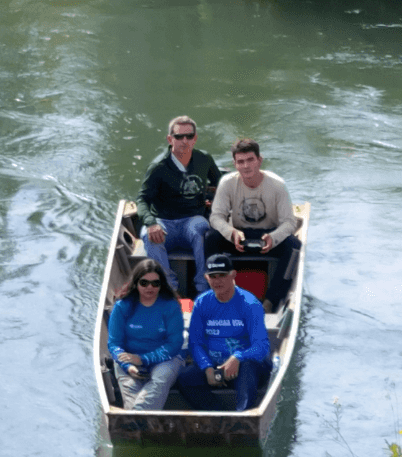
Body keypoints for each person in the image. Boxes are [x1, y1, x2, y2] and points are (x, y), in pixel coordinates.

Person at [205, 138, 301, 312]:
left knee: (294, 246)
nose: (246, 166)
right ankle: (216, 295)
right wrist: (231, 233)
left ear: (259, 160)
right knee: (211, 237)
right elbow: (216, 218)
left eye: (250, 160)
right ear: (235, 164)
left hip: (268, 236)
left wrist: (274, 237)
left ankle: (271, 302)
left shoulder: (277, 184)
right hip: (239, 236)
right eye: (240, 162)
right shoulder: (227, 183)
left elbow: (289, 222)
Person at [136, 115, 222, 295]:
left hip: (192, 219)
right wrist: (151, 223)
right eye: (179, 137)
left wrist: (214, 201)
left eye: (189, 136)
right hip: (164, 222)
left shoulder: (204, 159)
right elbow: (142, 199)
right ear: (170, 139)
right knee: (148, 236)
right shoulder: (158, 167)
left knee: (204, 231)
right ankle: (170, 288)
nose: (184, 141)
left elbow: (221, 184)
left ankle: (203, 288)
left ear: (195, 138)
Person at [177, 254, 273, 411]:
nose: (217, 281)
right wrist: (207, 367)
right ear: (206, 278)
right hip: (217, 373)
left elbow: (262, 346)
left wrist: (237, 358)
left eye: (222, 275)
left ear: (233, 275)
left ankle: (242, 416)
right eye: (213, 276)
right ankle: (217, 416)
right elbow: (195, 342)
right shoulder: (202, 303)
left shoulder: (250, 303)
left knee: (248, 368)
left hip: (244, 369)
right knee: (185, 378)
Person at [107, 259, 185, 410]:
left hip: (165, 359)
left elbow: (174, 345)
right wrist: (128, 365)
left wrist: (142, 359)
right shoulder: (122, 307)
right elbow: (114, 344)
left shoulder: (170, 306)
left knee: (159, 380)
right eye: (144, 283)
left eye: (155, 283)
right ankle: (138, 421)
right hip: (128, 360)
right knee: (129, 388)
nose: (150, 287)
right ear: (136, 283)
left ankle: (137, 418)